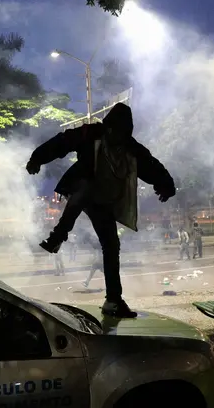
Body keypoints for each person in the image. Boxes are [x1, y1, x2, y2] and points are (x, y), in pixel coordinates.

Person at [26, 103, 176, 318]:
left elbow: (151, 165)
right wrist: (37, 158)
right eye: (113, 131)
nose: (116, 136)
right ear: (108, 127)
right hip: (83, 190)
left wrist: (166, 185)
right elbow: (61, 142)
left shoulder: (130, 147)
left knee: (112, 244)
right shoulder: (89, 133)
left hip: (103, 201)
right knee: (84, 189)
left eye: (122, 133)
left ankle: (113, 300)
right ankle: (58, 235)